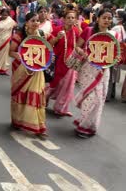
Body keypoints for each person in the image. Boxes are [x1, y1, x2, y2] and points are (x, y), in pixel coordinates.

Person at [73, 9, 117, 138]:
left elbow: (115, 53)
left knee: (99, 99)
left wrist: (117, 58)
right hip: (88, 69)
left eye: (110, 18)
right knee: (90, 99)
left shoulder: (112, 35)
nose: (107, 20)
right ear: (97, 18)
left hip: (103, 70)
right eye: (104, 17)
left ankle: (88, 125)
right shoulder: (88, 31)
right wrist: (82, 53)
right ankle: (84, 125)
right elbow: (77, 46)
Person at [10, 12, 50, 137]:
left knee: (36, 95)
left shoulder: (42, 34)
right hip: (21, 69)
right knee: (21, 95)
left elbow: (49, 47)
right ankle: (18, 120)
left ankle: (38, 125)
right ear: (26, 22)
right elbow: (11, 52)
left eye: (38, 21)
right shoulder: (19, 35)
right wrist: (24, 58)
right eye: (33, 20)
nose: (36, 23)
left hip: (37, 70)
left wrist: (58, 37)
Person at [46, 11, 81, 116]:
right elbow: (49, 44)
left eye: (73, 18)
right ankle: (44, 99)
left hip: (71, 63)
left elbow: (80, 45)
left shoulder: (76, 32)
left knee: (68, 86)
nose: (71, 19)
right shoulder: (58, 30)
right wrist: (57, 38)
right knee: (54, 84)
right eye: (68, 17)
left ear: (75, 19)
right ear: (64, 19)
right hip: (58, 62)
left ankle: (61, 108)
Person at [0, 8, 16, 75]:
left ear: (8, 15)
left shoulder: (10, 21)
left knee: (4, 55)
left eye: (6, 15)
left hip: (6, 40)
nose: (4, 16)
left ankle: (3, 69)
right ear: (1, 14)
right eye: (3, 15)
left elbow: (15, 25)